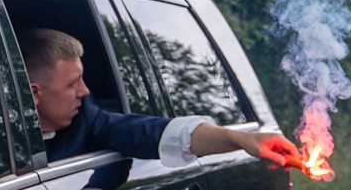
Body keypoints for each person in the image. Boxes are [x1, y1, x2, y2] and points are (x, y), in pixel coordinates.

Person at [21, 28, 300, 168]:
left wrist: (243, 140)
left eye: (82, 79)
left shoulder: (87, 120)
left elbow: (153, 132)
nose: (85, 91)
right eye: (72, 84)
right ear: (34, 93)